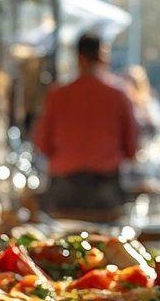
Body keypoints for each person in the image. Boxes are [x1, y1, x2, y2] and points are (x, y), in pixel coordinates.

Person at [32, 34, 138, 213]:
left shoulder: (58, 95)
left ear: (79, 57)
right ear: (103, 57)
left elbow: (42, 144)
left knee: (61, 239)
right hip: (106, 189)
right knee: (105, 239)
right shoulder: (118, 96)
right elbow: (132, 148)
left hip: (63, 188)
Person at [123, 65, 160, 143]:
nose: (128, 89)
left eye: (133, 85)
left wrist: (147, 116)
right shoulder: (123, 104)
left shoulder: (149, 104)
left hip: (146, 146)